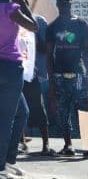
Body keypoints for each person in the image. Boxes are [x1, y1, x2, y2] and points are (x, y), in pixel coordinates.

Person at [46, 0, 88, 159]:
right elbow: (48, 55)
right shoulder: (52, 27)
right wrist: (52, 80)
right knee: (63, 112)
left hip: (79, 74)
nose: (64, 5)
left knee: (86, 108)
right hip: (60, 75)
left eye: (67, 2)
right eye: (61, 2)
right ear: (57, 5)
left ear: (71, 4)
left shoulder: (81, 24)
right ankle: (68, 145)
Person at [0, 0, 38, 179]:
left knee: (22, 112)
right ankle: (0, 167)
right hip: (10, 68)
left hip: (4, 68)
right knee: (6, 119)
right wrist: (21, 0)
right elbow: (34, 26)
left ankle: (8, 160)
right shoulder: (11, 9)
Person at [22, 14, 55, 156]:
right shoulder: (10, 18)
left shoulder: (38, 22)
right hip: (13, 71)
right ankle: (20, 142)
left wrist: (31, 39)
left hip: (31, 74)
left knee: (38, 108)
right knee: (16, 110)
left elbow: (45, 48)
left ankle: (46, 144)